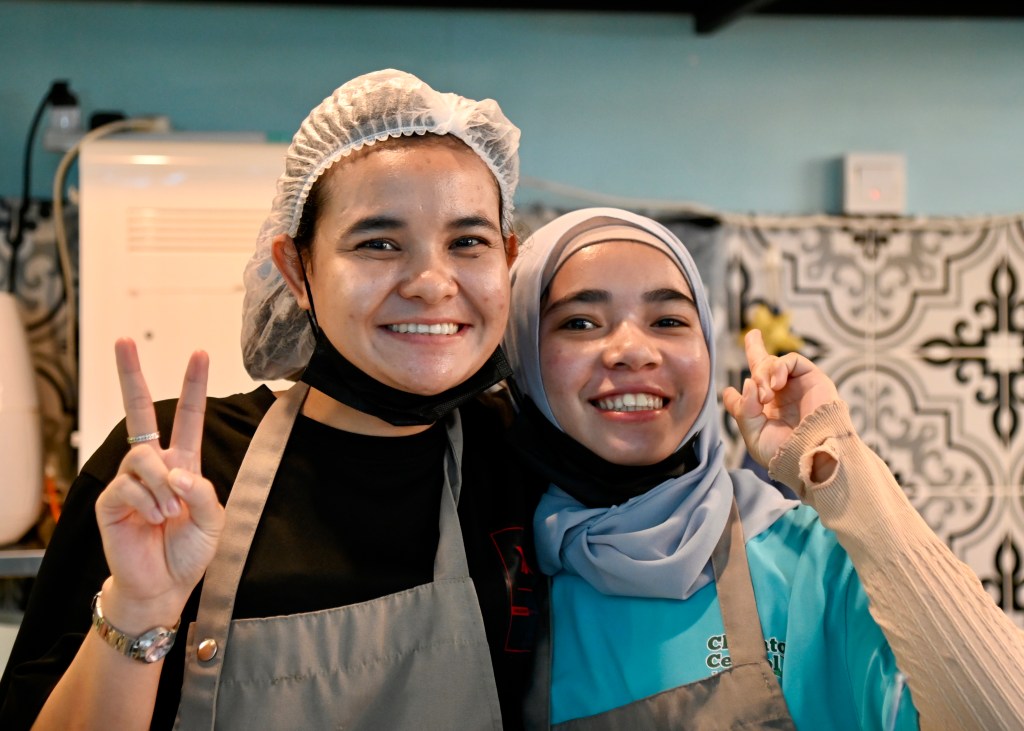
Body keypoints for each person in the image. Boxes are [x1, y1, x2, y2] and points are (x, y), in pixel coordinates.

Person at [0, 68, 544, 730]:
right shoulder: (179, 470)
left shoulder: (523, 455)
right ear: (297, 268)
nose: (432, 283)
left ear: (507, 258)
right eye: (377, 242)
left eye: (468, 242)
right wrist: (138, 607)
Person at [503, 206, 1024, 729]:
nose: (634, 351)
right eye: (580, 322)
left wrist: (840, 471)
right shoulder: (501, 577)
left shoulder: (810, 560)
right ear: (522, 353)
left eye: (668, 321)